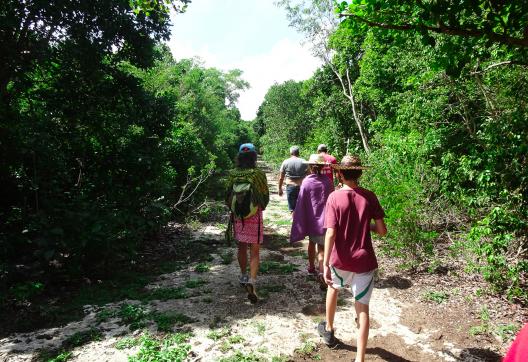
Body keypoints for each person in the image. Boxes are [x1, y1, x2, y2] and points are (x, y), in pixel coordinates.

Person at [318, 155, 387, 362]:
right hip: (364, 260)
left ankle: (329, 329)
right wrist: (367, 226)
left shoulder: (334, 197)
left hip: (341, 258)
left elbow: (330, 233)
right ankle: (360, 359)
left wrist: (326, 263)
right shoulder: (370, 196)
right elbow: (382, 230)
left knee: (333, 288)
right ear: (360, 173)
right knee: (362, 308)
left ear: (340, 173)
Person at [225, 143, 269, 304]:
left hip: (238, 217)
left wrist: (235, 210)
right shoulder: (258, 174)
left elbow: (227, 195)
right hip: (254, 215)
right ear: (254, 157)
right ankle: (252, 280)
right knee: (255, 250)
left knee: (241, 246)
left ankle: (243, 275)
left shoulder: (233, 173)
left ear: (239, 157)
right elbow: (265, 196)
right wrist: (259, 207)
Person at [290, 154, 333, 289]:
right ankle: (322, 270)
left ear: (309, 166)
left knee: (312, 243)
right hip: (326, 220)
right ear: (322, 167)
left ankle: (314, 268)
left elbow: (301, 201)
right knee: (323, 247)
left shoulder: (307, 181)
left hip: (312, 219)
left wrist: (299, 216)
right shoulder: (328, 181)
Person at [278, 146, 308, 212]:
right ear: (298, 153)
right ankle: (300, 221)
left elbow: (281, 178)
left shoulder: (285, 162)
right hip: (301, 186)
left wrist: (280, 188)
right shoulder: (304, 162)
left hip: (290, 186)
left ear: (290, 153)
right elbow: (309, 175)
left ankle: (294, 221)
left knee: (292, 209)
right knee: (301, 208)